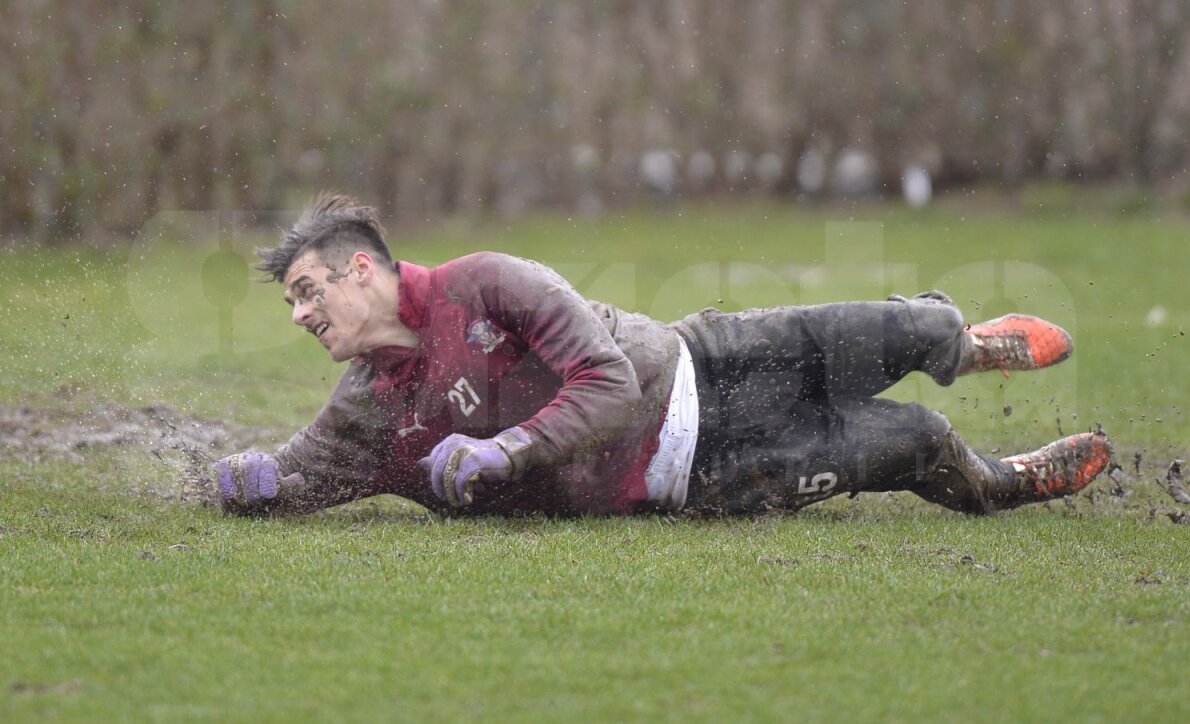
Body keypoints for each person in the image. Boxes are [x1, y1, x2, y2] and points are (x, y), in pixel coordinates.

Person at [211, 194, 1111, 518]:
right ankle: (1005, 481)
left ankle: (969, 344)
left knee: (911, 333)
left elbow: (603, 382)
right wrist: (248, 484)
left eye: (306, 291)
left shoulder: (482, 282)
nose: (299, 314)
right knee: (916, 441)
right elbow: (302, 477)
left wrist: (505, 448)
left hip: (704, 361)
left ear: (360, 268)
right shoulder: (369, 409)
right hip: (703, 471)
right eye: (293, 300)